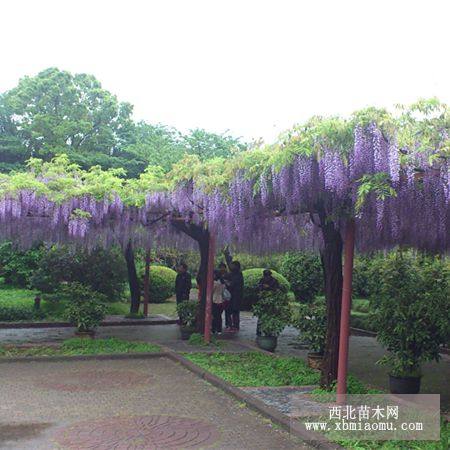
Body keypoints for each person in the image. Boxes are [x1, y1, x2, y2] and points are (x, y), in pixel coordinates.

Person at [256, 269, 280, 336]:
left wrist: (269, 287)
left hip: (271, 301)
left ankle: (270, 332)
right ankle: (259, 331)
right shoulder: (262, 280)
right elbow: (258, 287)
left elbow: (277, 290)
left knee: (271, 316)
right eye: (265, 276)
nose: (266, 278)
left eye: (267, 276)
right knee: (261, 317)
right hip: (262, 300)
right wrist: (261, 288)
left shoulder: (275, 281)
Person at [225, 260, 244, 332]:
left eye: (233, 265)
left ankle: (235, 326)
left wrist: (227, 283)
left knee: (235, 311)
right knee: (228, 311)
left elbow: (232, 284)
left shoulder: (238, 274)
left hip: (236, 296)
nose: (231, 267)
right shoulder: (231, 274)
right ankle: (229, 325)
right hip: (230, 296)